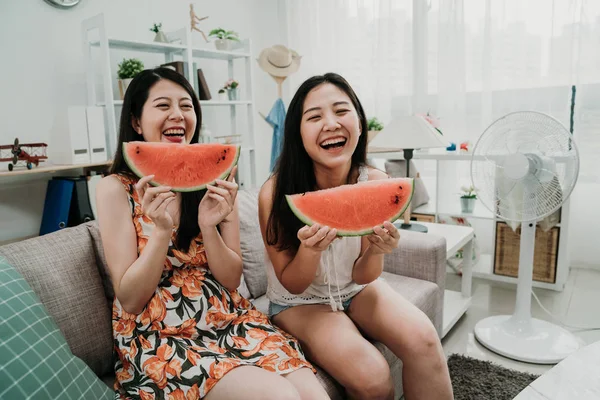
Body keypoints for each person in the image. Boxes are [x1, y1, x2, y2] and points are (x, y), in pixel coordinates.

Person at [96, 67, 329, 400]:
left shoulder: (216, 180)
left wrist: (209, 226)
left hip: (231, 321)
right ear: (136, 122)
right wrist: (161, 232)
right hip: (161, 337)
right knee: (281, 395)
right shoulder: (114, 189)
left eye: (187, 105)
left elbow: (231, 279)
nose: (178, 115)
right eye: (163, 106)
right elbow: (131, 299)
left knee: (314, 395)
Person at [258, 72, 453, 400]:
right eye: (315, 116)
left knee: (425, 342)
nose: (331, 123)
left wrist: (377, 251)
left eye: (341, 110)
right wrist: (310, 250)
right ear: (297, 133)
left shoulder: (375, 182)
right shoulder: (275, 193)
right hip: (300, 302)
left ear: (360, 123)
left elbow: (364, 274)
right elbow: (293, 283)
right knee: (374, 378)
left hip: (359, 288)